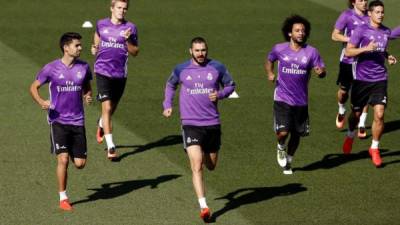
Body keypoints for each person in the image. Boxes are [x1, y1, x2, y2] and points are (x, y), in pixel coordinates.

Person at [162, 37, 235, 222]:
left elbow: (231, 85)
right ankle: (203, 206)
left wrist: (220, 94)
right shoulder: (181, 69)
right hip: (190, 123)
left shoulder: (217, 67)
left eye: (203, 50)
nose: (200, 54)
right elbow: (170, 84)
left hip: (212, 124)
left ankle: (204, 155)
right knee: (196, 165)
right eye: (197, 50)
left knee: (210, 165)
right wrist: (167, 104)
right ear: (190, 51)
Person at [29, 32, 93, 211]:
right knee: (63, 159)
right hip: (57, 120)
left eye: (80, 45)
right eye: (77, 45)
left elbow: (86, 85)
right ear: (66, 48)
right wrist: (42, 102)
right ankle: (63, 197)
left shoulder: (84, 67)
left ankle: (70, 150)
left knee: (80, 164)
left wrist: (87, 95)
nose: (80, 48)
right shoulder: (51, 68)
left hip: (78, 121)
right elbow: (34, 87)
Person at [265, 15, 326, 175]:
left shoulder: (312, 52)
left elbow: (321, 69)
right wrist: (270, 73)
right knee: (283, 132)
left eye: (303, 31)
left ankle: (289, 161)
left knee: (297, 133)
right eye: (297, 30)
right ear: (289, 33)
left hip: (301, 101)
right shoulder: (279, 49)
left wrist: (320, 72)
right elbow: (269, 59)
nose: (300, 33)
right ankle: (280, 147)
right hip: (282, 97)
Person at [342, 0, 397, 167]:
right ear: (370, 14)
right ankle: (351, 134)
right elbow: (348, 51)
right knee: (356, 115)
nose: (381, 15)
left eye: (382, 12)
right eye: (377, 12)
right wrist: (365, 49)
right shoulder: (361, 30)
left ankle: (374, 147)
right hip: (362, 80)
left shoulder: (386, 31)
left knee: (379, 114)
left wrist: (388, 56)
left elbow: (381, 48)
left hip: (380, 79)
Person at [91, 0, 139, 160]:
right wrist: (94, 47)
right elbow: (97, 36)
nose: (122, 11)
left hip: (120, 74)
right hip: (102, 71)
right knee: (107, 106)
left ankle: (100, 124)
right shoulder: (101, 24)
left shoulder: (131, 28)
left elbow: (135, 52)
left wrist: (127, 40)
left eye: (125, 9)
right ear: (112, 8)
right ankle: (111, 146)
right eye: (119, 7)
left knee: (111, 110)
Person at [332, 0, 370, 138]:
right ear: (353, 2)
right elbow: (334, 35)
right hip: (347, 61)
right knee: (343, 92)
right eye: (361, 0)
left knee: (364, 94)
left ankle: (361, 124)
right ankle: (341, 109)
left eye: (366, 0)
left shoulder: (370, 16)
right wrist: (352, 39)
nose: (365, 2)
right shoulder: (347, 15)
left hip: (365, 62)